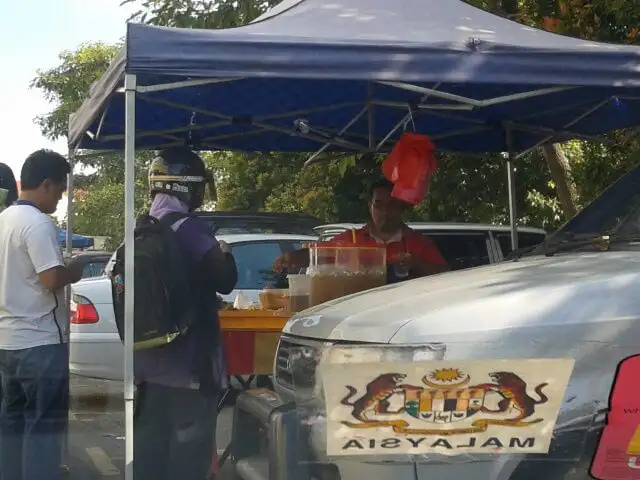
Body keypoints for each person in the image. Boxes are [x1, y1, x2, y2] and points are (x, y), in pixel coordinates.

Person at [133, 147, 237, 480]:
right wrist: (226, 254)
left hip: (148, 370)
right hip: (190, 369)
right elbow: (225, 280)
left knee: (151, 458)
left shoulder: (143, 228)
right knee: (188, 463)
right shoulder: (189, 229)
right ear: (187, 186)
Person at [0, 150, 83, 480]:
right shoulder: (37, 224)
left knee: (12, 427)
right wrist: (74, 270)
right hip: (40, 343)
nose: (60, 199)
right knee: (43, 432)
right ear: (46, 185)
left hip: (7, 343)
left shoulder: (4, 220)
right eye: (61, 191)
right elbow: (51, 279)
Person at [274, 179, 450, 283]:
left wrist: (417, 264)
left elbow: (447, 278)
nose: (385, 212)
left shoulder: (418, 243)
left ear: (402, 208)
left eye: (392, 206)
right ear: (369, 206)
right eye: (378, 205)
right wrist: (292, 257)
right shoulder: (352, 239)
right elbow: (320, 254)